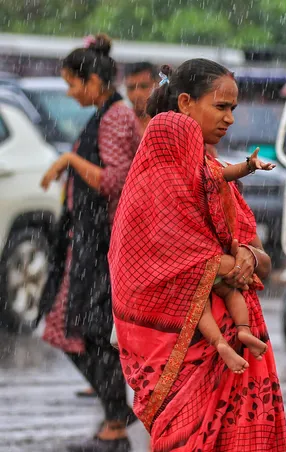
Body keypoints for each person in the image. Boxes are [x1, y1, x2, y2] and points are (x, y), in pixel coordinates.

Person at [109, 58, 286, 451]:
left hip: (238, 343)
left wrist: (246, 258)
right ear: (187, 103)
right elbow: (145, 267)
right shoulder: (156, 177)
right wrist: (225, 264)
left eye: (233, 109)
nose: (229, 119)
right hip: (184, 345)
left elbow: (264, 260)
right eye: (221, 107)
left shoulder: (215, 175)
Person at [39, 34, 141, 452]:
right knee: (69, 329)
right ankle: (115, 415)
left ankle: (116, 423)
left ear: (95, 82)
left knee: (93, 333)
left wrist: (68, 161)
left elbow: (113, 179)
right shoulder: (105, 113)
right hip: (88, 242)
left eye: (73, 83)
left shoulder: (116, 118)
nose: (70, 91)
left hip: (104, 245)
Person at [124, 61, 158, 134]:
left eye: (144, 86)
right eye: (131, 88)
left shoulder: (168, 122)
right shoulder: (121, 122)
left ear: (156, 85)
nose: (137, 94)